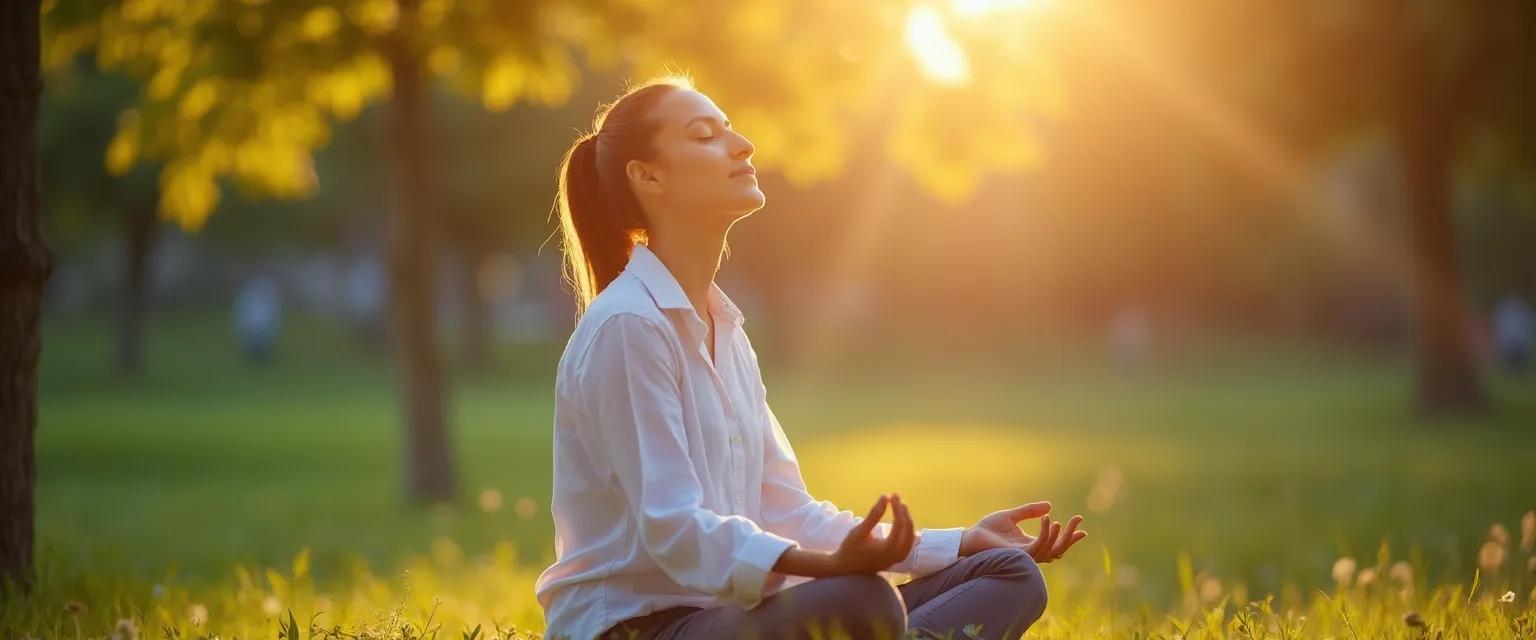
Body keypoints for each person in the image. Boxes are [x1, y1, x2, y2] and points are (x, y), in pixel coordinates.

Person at [533, 76, 1088, 640]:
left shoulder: (726, 330)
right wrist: (829, 568)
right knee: (859, 600)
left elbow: (790, 514)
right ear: (647, 175)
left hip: (728, 619)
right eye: (706, 135)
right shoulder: (630, 325)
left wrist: (962, 541)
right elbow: (674, 529)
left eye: (731, 128)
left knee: (1007, 573)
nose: (743, 144)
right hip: (641, 629)